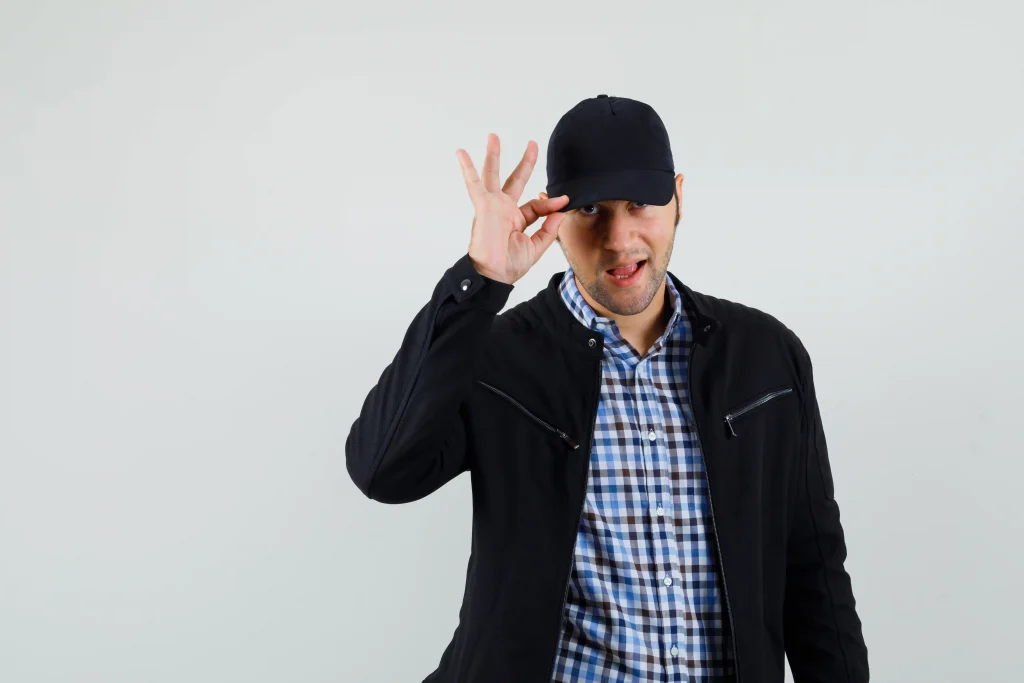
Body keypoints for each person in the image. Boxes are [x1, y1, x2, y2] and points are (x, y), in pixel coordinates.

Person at [345, 94, 868, 682]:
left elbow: (815, 569)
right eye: (590, 209)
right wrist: (479, 280)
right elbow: (382, 471)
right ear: (554, 220)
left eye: (640, 204)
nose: (619, 239)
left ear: (678, 200)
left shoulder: (765, 357)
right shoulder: (495, 356)